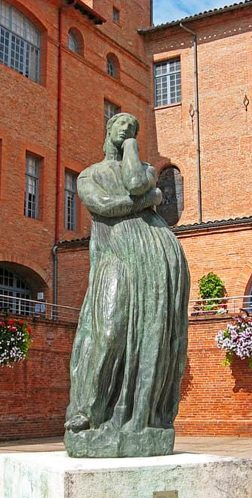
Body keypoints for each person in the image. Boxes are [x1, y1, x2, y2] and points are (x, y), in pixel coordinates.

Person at [64, 113, 190, 458]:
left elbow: (135, 182)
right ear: (107, 129)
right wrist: (149, 201)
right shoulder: (90, 174)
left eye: (134, 129)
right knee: (109, 331)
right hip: (116, 256)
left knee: (153, 336)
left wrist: (133, 148)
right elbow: (102, 206)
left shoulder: (146, 170)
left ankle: (141, 417)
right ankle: (88, 412)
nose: (128, 130)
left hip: (156, 257)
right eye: (122, 125)